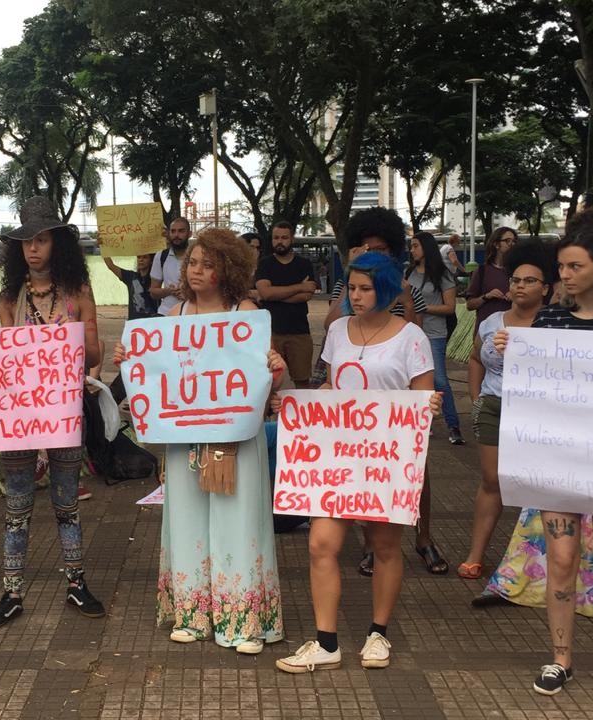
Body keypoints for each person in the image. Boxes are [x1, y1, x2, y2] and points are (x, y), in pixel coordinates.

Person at [493, 223, 593, 708]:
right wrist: (512, 353)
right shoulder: (547, 323)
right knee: (560, 561)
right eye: (561, 266)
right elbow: (531, 393)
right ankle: (560, 658)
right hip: (557, 461)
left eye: (574, 266)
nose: (564, 275)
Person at [113, 228, 287, 655]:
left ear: (228, 268)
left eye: (208, 264)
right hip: (185, 439)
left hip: (235, 441)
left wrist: (274, 366)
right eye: (193, 262)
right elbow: (153, 378)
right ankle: (192, 615)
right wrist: (130, 361)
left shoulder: (245, 313)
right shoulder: (172, 318)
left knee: (239, 520)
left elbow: (261, 377)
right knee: (187, 521)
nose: (197, 271)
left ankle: (243, 622)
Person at [274, 252, 441, 674]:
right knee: (321, 544)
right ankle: (326, 641)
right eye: (352, 287)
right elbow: (332, 385)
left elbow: (421, 399)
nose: (357, 295)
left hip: (387, 460)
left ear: (386, 288)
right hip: (337, 458)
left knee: (385, 547)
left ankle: (378, 633)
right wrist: (302, 408)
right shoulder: (337, 331)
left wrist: (430, 406)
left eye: (366, 288)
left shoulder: (411, 339)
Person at [0, 197, 105, 629]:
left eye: (42, 240)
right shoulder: (11, 296)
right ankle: (11, 591)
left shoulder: (78, 294)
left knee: (66, 503)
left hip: (64, 412)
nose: (33, 249)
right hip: (18, 417)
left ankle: (76, 583)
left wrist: (81, 339)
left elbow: (94, 355)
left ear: (58, 245)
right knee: (16, 507)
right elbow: (4, 355)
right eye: (25, 242)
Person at [457, 241, 554, 580]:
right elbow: (474, 358)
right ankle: (476, 554)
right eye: (515, 279)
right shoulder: (491, 321)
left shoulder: (553, 325)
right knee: (491, 481)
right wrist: (476, 397)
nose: (520, 286)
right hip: (494, 406)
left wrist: (524, 351)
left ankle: (535, 561)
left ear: (546, 288)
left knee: (537, 484)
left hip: (537, 413)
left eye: (529, 281)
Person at [407, 231, 463, 445]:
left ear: (426, 248)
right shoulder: (409, 272)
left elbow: (450, 307)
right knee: (413, 380)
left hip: (434, 334)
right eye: (411, 247)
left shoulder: (443, 274)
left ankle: (453, 425)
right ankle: (422, 424)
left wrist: (422, 307)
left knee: (439, 379)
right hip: (411, 333)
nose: (412, 251)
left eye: (415, 246)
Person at [256, 221, 319, 389]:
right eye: (276, 237)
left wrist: (274, 295)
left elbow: (307, 294)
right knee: (268, 382)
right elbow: (265, 293)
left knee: (302, 381)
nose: (280, 241)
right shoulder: (265, 264)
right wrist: (299, 286)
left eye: (284, 237)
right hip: (270, 334)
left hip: (299, 333)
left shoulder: (304, 264)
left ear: (292, 239)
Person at [464, 227, 516, 326]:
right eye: (508, 241)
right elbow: (469, 305)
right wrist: (486, 296)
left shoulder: (519, 271)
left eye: (514, 241)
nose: (512, 244)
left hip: (512, 331)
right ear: (496, 244)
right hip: (486, 332)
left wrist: (516, 296)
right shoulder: (482, 271)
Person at [149, 216, 191, 315]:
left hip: (192, 315)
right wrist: (169, 291)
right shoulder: (161, 256)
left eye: (181, 231)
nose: (176, 235)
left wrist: (189, 293)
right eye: (173, 231)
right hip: (166, 314)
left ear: (189, 234)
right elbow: (153, 292)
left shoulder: (198, 255)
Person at [102, 249, 158, 321]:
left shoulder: (156, 278)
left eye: (145, 257)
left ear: (151, 261)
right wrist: (103, 248)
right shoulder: (131, 276)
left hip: (152, 321)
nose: (141, 260)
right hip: (134, 322)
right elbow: (111, 266)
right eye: (139, 257)